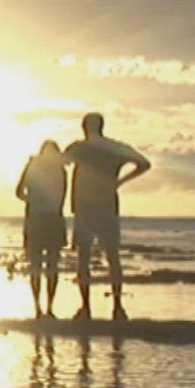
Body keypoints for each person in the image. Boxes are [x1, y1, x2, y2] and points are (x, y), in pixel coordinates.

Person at [63, 112, 151, 320]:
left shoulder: (79, 147)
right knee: (112, 256)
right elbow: (144, 163)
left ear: (85, 127)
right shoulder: (115, 148)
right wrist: (120, 181)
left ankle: (86, 308)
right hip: (107, 205)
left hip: (85, 207)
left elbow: (59, 162)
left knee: (84, 257)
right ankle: (118, 307)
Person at [15, 139, 69, 318]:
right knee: (47, 264)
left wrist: (32, 200)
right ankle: (44, 308)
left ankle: (43, 308)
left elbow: (19, 192)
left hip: (39, 218)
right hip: (50, 218)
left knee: (39, 264)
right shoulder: (58, 169)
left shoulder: (36, 167)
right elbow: (62, 195)